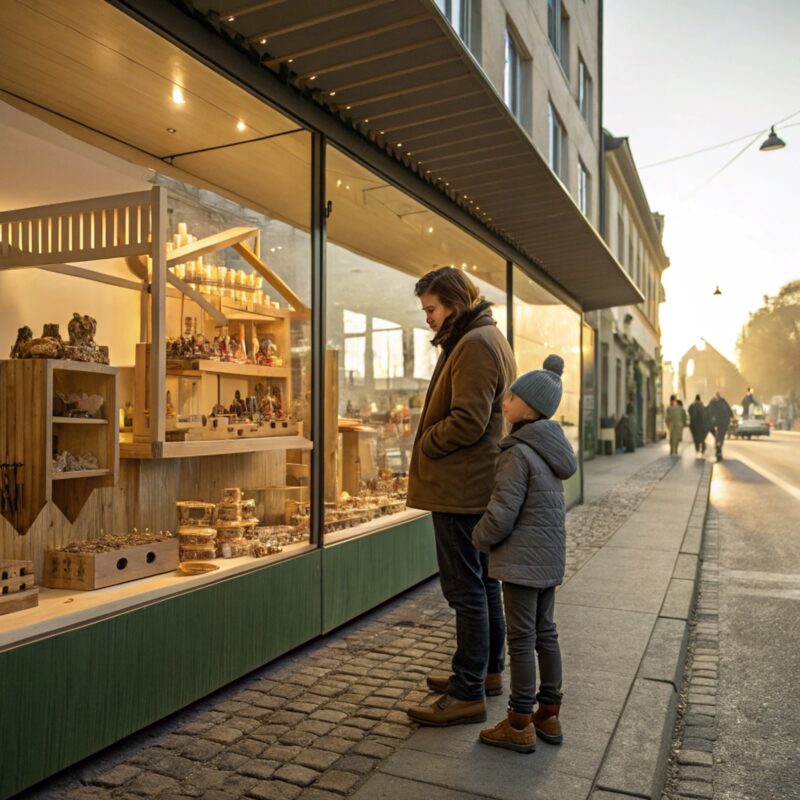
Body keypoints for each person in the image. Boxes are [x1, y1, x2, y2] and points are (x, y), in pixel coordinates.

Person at [405, 267, 516, 727]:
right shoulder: (482, 337)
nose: (428, 318)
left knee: (465, 589)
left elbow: (469, 420)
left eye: (431, 309)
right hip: (469, 484)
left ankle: (468, 689)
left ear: (453, 301)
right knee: (483, 584)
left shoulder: (474, 344)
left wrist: (426, 441)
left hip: (461, 487)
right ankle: (486, 671)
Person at [471, 356, 577, 753]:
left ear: (528, 408)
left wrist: (478, 539)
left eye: (511, 397)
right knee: (546, 634)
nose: (504, 402)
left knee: (521, 639)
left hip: (520, 562)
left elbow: (502, 512)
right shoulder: (552, 449)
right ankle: (549, 715)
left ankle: (518, 722)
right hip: (547, 559)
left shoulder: (517, 452)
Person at [707, 391, 734, 461]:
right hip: (722, 423)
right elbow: (729, 410)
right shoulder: (723, 402)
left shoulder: (712, 402)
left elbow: (708, 412)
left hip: (715, 423)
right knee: (720, 437)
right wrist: (731, 416)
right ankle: (719, 449)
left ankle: (718, 448)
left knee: (717, 437)